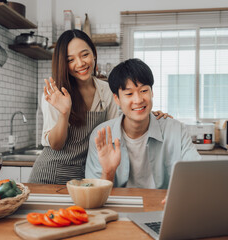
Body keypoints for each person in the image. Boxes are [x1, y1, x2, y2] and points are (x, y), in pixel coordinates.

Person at [29, 30, 169, 184]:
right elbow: (56, 145)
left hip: (86, 174)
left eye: (84, 55)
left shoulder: (106, 90)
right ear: (63, 63)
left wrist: (147, 116)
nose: (80, 63)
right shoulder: (55, 94)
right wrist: (64, 113)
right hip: (50, 174)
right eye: (70, 60)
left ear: (93, 54)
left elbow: (116, 130)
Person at [85, 58, 201, 189]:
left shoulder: (176, 130)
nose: (138, 100)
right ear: (116, 99)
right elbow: (93, 194)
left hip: (163, 206)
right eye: (129, 93)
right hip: (116, 208)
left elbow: (196, 176)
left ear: (152, 92)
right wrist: (108, 172)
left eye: (144, 91)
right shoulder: (102, 136)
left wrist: (179, 196)